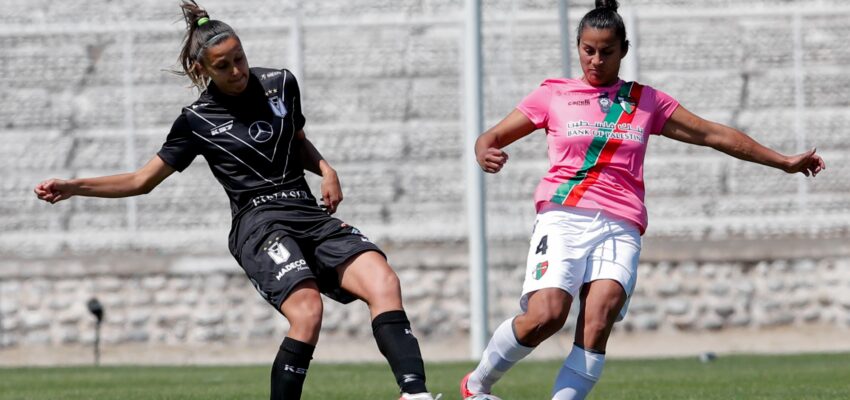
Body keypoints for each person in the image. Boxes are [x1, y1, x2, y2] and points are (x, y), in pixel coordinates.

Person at [33, 2, 439, 400]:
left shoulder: (281, 83)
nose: (237, 71)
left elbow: (296, 143)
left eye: (239, 58)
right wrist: (74, 186)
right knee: (307, 311)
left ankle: (414, 393)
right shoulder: (196, 120)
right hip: (259, 224)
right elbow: (141, 180)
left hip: (306, 212)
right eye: (223, 65)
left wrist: (327, 169)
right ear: (201, 69)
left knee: (383, 281)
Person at [459, 1, 826, 399]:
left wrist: (783, 161)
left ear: (624, 50)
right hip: (563, 216)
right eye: (588, 50)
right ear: (578, 46)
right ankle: (476, 385)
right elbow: (489, 138)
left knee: (598, 322)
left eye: (607, 51)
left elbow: (712, 134)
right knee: (546, 316)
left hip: (621, 223)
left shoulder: (644, 101)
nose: (596, 60)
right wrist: (484, 151)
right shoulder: (554, 94)